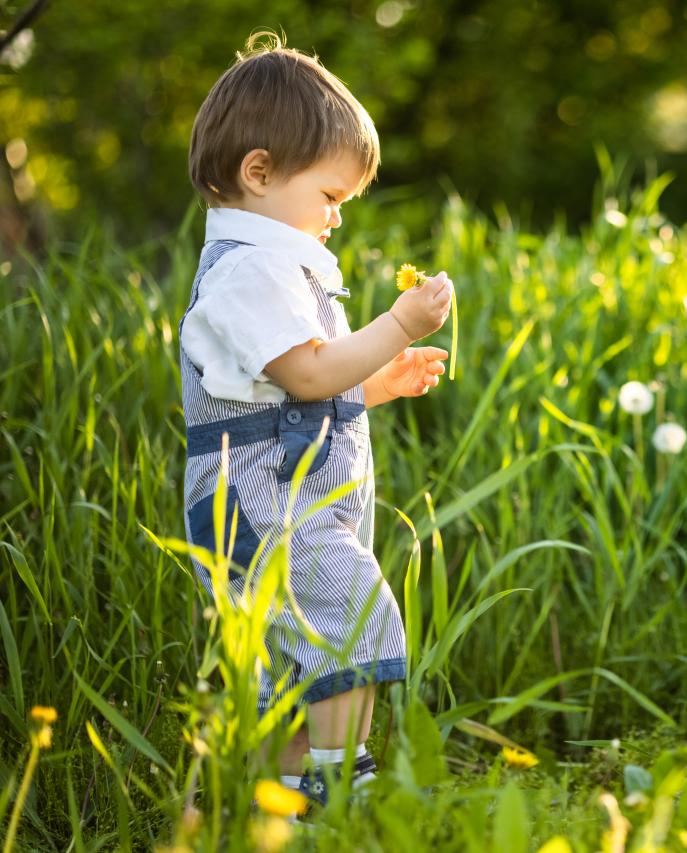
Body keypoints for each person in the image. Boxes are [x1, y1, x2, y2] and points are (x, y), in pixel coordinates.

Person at [179, 33, 453, 804]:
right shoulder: (248, 269)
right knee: (353, 606)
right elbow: (305, 373)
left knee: (307, 647)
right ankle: (341, 784)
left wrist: (374, 383)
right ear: (258, 172)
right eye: (330, 197)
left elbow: (293, 393)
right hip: (264, 498)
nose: (337, 217)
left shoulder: (276, 265)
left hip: (289, 492)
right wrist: (395, 327)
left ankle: (285, 794)